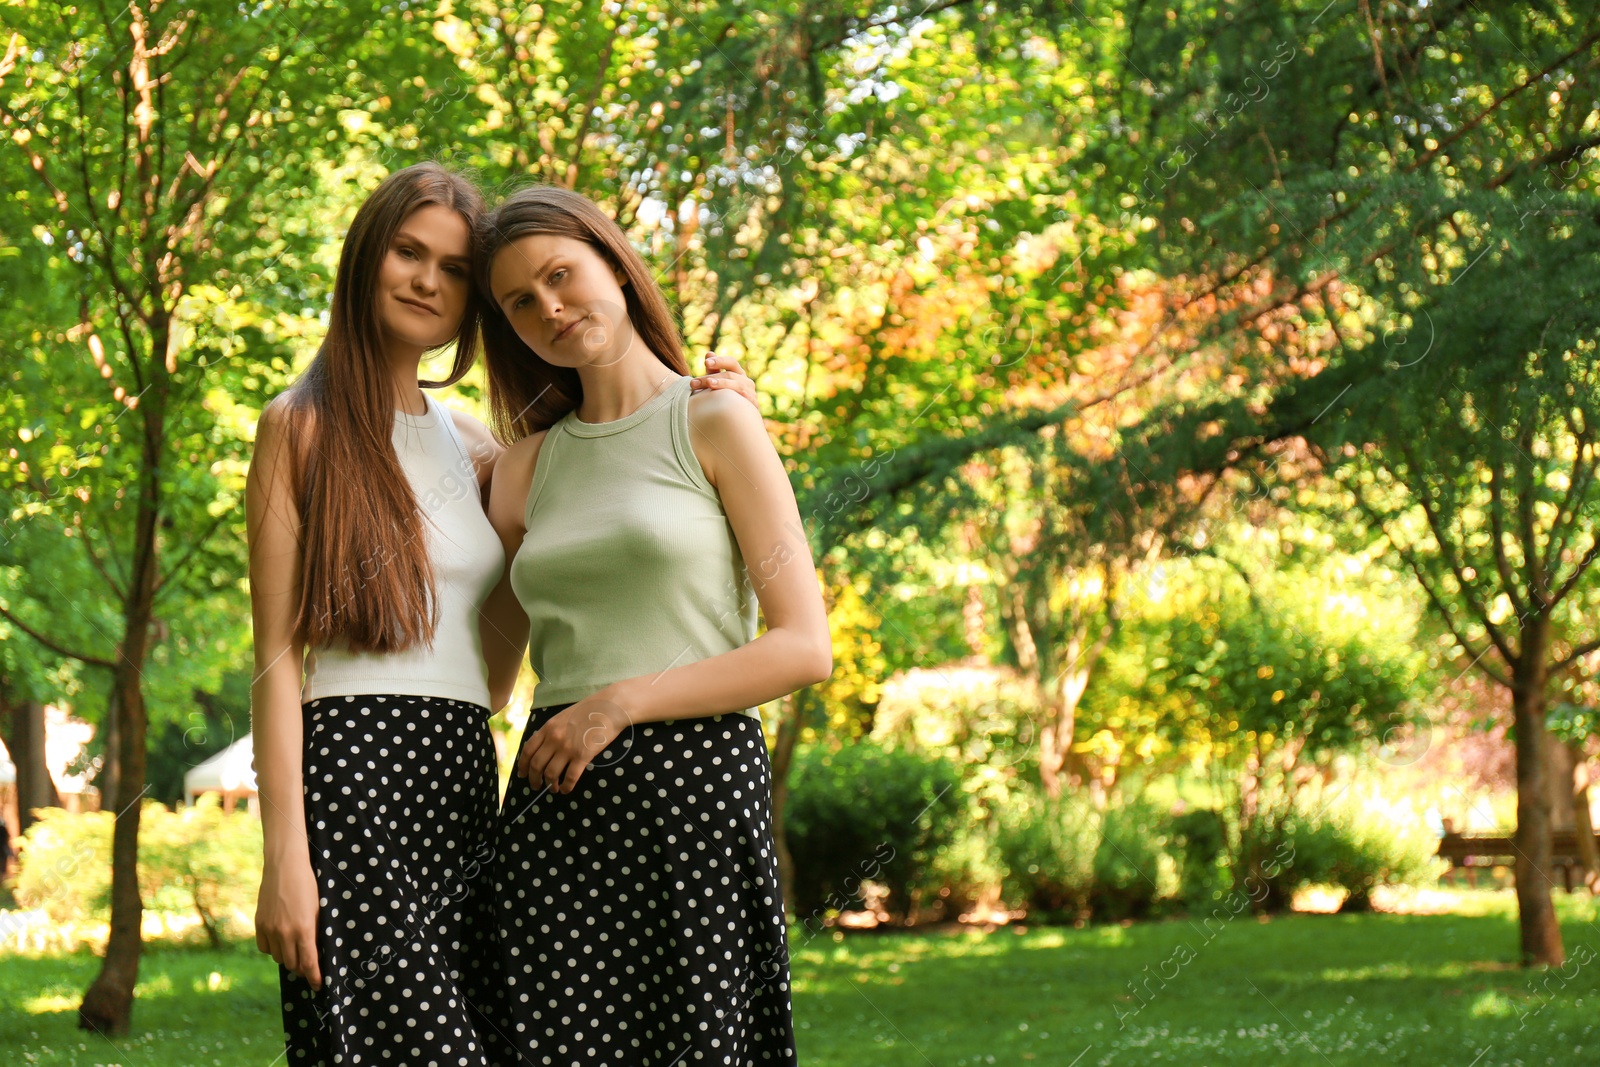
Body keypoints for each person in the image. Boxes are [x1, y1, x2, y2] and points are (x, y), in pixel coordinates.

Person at [247, 162, 756, 1066]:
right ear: (367, 258)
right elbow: (276, 658)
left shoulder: (483, 449)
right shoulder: (300, 426)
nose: (424, 280)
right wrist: (286, 851)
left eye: (449, 270)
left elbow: (540, 589)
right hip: (350, 767)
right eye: (407, 253)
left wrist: (723, 402)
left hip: (464, 770)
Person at [476, 184, 833, 1066]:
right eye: (520, 301)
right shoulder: (522, 469)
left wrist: (620, 703)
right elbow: (484, 670)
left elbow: (803, 645)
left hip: (696, 795)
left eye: (562, 275)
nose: (549, 308)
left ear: (618, 268)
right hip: (554, 803)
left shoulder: (715, 418)